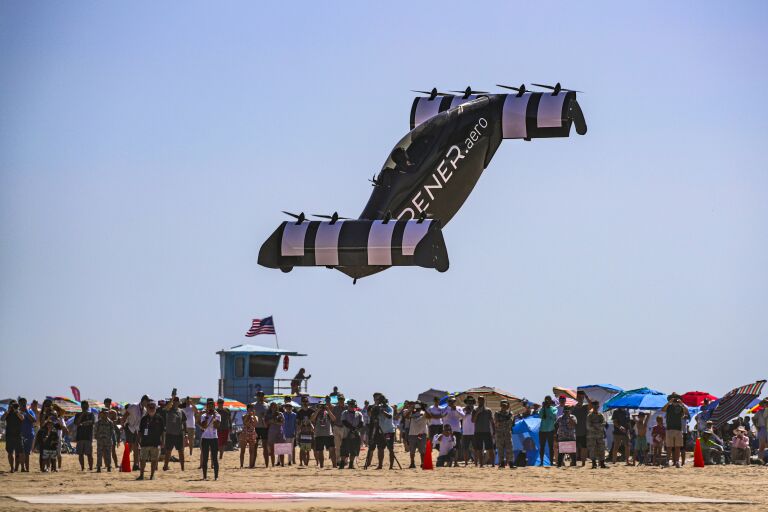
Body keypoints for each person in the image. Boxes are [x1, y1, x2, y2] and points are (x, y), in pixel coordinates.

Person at [364, 393, 396, 470]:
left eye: (384, 401)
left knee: (390, 448)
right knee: (380, 448)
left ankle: (391, 466)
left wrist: (382, 411)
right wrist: (375, 411)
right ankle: (380, 465)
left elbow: (389, 416)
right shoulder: (377, 408)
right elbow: (373, 418)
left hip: (389, 431)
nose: (383, 403)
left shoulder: (389, 408)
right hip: (381, 432)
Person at [137, 402, 164, 480]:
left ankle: (152, 475)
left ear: (155, 408)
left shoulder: (159, 418)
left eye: (153, 408)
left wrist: (163, 441)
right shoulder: (144, 419)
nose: (151, 409)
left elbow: (163, 431)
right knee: (142, 459)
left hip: (155, 442)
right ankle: (141, 475)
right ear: (147, 409)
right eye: (150, 408)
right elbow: (140, 431)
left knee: (154, 460)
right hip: (145, 442)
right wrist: (139, 440)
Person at [123, 395, 149, 470]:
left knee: (137, 447)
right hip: (129, 428)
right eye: (147, 401)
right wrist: (123, 426)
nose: (148, 403)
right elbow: (125, 415)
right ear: (144, 400)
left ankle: (135, 465)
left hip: (137, 430)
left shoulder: (144, 410)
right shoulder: (134, 406)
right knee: (129, 447)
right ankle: (124, 464)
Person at [661, 393, 687, 468]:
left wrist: (682, 404)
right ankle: (667, 461)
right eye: (673, 398)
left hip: (678, 429)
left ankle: (677, 462)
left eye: (676, 398)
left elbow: (686, 412)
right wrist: (669, 402)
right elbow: (663, 409)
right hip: (669, 428)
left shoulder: (680, 407)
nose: (675, 399)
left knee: (677, 447)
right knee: (669, 447)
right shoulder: (668, 406)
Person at [311, 396, 337, 468]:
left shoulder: (327, 412)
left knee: (332, 450)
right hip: (319, 434)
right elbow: (312, 419)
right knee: (320, 451)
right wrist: (318, 410)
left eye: (323, 406)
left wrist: (328, 410)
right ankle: (321, 465)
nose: (322, 407)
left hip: (329, 434)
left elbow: (334, 419)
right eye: (320, 405)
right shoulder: (315, 413)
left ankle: (334, 465)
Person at [163, 396, 187, 471]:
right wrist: (172, 399)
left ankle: (182, 468)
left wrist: (185, 433)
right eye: (174, 401)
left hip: (179, 434)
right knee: (168, 451)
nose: (176, 402)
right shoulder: (169, 409)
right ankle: (165, 466)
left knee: (181, 452)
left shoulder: (181, 411)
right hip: (169, 434)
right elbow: (165, 408)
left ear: (179, 402)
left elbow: (184, 422)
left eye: (177, 400)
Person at [199, 398, 221, 480]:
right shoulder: (203, 416)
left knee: (214, 457)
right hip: (205, 438)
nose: (211, 407)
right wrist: (207, 417)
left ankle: (216, 476)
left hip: (214, 438)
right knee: (205, 457)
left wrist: (214, 417)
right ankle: (204, 476)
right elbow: (204, 426)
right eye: (209, 406)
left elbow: (216, 426)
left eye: (212, 406)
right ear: (207, 407)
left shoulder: (218, 415)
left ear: (214, 407)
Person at [340, 399, 364, 469]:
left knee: (354, 450)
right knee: (344, 449)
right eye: (350, 404)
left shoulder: (359, 413)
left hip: (355, 434)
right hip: (346, 433)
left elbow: (361, 423)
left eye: (353, 404)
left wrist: (355, 429)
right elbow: (344, 421)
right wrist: (352, 428)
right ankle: (342, 463)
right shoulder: (345, 412)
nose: (351, 405)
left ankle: (351, 464)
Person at [2, 400, 24, 473]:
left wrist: (16, 410)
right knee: (10, 452)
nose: (13, 406)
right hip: (9, 435)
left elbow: (22, 418)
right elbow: (2, 419)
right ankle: (12, 468)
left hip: (18, 435)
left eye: (14, 405)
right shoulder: (8, 413)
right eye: (12, 405)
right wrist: (8, 411)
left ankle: (22, 468)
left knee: (20, 452)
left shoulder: (19, 412)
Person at [472, 396, 494, 467]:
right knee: (479, 449)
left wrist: (494, 430)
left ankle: (493, 464)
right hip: (478, 432)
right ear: (478, 401)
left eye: (482, 400)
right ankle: (481, 464)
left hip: (487, 431)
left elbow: (491, 421)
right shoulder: (475, 410)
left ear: (484, 401)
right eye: (479, 400)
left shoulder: (488, 410)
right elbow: (473, 421)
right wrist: (478, 412)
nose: (480, 401)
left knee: (490, 448)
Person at [494, 400, 516, 469]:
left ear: (508, 406)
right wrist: (506, 421)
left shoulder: (510, 413)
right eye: (503, 405)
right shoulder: (497, 413)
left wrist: (503, 421)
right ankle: (502, 463)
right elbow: (497, 423)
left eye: (505, 405)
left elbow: (511, 422)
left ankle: (511, 463)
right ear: (500, 406)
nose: (504, 407)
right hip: (500, 434)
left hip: (507, 434)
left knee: (509, 449)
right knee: (500, 449)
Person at [74, 400, 95, 471]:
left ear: (88, 406)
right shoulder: (77, 414)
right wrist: (82, 414)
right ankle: (82, 467)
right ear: (81, 406)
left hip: (88, 437)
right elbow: (77, 423)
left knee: (89, 454)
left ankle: (91, 467)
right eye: (83, 406)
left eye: (86, 405)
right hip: (80, 437)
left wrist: (84, 423)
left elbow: (92, 422)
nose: (85, 407)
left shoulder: (91, 414)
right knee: (80, 454)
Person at [586, 401, 607, 469]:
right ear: (592, 406)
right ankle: (594, 463)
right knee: (592, 450)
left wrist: (596, 425)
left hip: (600, 435)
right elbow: (588, 426)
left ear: (598, 406)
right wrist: (597, 426)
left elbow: (604, 423)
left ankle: (602, 463)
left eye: (597, 406)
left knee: (601, 449)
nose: (595, 407)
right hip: (592, 436)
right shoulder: (589, 415)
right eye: (594, 406)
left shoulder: (601, 415)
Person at [538, 396, 557, 466]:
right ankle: (541, 462)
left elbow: (554, 416)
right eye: (546, 400)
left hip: (550, 430)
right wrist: (543, 408)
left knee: (551, 447)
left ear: (551, 401)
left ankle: (551, 462)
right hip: (542, 430)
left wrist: (548, 409)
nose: (547, 402)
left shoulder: (554, 408)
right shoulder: (542, 408)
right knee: (542, 447)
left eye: (549, 400)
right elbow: (540, 416)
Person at [572, 391, 590, 466]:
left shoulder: (585, 406)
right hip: (575, 431)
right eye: (579, 397)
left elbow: (592, 405)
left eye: (582, 397)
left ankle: (583, 462)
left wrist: (586, 397)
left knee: (584, 447)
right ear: (576, 398)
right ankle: (574, 461)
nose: (580, 399)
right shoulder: (573, 407)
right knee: (574, 447)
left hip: (584, 431)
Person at [18, 398, 36, 472]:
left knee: (27, 452)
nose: (23, 405)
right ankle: (22, 468)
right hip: (20, 434)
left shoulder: (30, 411)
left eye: (24, 403)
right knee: (21, 452)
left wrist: (26, 412)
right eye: (21, 403)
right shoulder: (17, 412)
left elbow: (34, 420)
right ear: (19, 404)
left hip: (29, 434)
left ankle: (27, 468)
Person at [252, 391, 270, 467]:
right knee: (254, 446)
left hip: (264, 428)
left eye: (261, 395)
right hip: (255, 427)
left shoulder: (267, 405)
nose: (260, 397)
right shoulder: (253, 405)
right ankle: (252, 464)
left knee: (265, 446)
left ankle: (266, 465)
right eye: (259, 395)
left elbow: (269, 416)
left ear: (263, 396)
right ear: (257, 396)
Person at [266, 402, 286, 467]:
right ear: (270, 407)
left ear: (277, 407)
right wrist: (275, 421)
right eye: (272, 406)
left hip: (279, 431)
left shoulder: (280, 413)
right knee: (272, 449)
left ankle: (282, 464)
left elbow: (283, 422)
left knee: (281, 449)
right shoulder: (268, 414)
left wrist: (274, 421)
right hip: (272, 431)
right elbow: (267, 422)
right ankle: (272, 464)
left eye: (275, 406)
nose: (274, 407)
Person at [240, 403, 258, 468]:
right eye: (250, 408)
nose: (251, 410)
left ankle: (250, 465)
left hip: (252, 434)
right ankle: (241, 465)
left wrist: (254, 415)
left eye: (252, 408)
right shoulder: (244, 415)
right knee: (242, 450)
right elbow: (244, 423)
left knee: (252, 450)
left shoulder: (255, 417)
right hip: (244, 433)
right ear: (247, 409)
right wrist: (248, 416)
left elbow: (255, 424)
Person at [331, 395, 347, 464]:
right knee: (337, 445)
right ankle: (338, 460)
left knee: (345, 445)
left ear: (344, 399)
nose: (341, 400)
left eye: (342, 399)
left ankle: (345, 460)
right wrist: (332, 427)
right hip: (336, 427)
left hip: (345, 428)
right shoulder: (335, 408)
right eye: (339, 399)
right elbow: (332, 418)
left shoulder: (347, 407)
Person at [461, 396, 476, 466]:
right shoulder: (462, 409)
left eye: (471, 402)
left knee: (475, 448)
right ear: (466, 403)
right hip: (465, 432)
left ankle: (476, 462)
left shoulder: (476, 409)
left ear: (473, 402)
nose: (469, 403)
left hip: (474, 431)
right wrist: (466, 412)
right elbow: (460, 418)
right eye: (468, 402)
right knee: (465, 448)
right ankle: (466, 463)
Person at [754, 398, 768, 465]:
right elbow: (753, 419)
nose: (766, 404)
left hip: (764, 429)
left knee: (764, 446)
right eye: (765, 403)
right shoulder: (759, 412)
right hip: (762, 429)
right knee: (761, 446)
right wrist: (757, 427)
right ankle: (760, 461)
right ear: (763, 404)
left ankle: (762, 460)